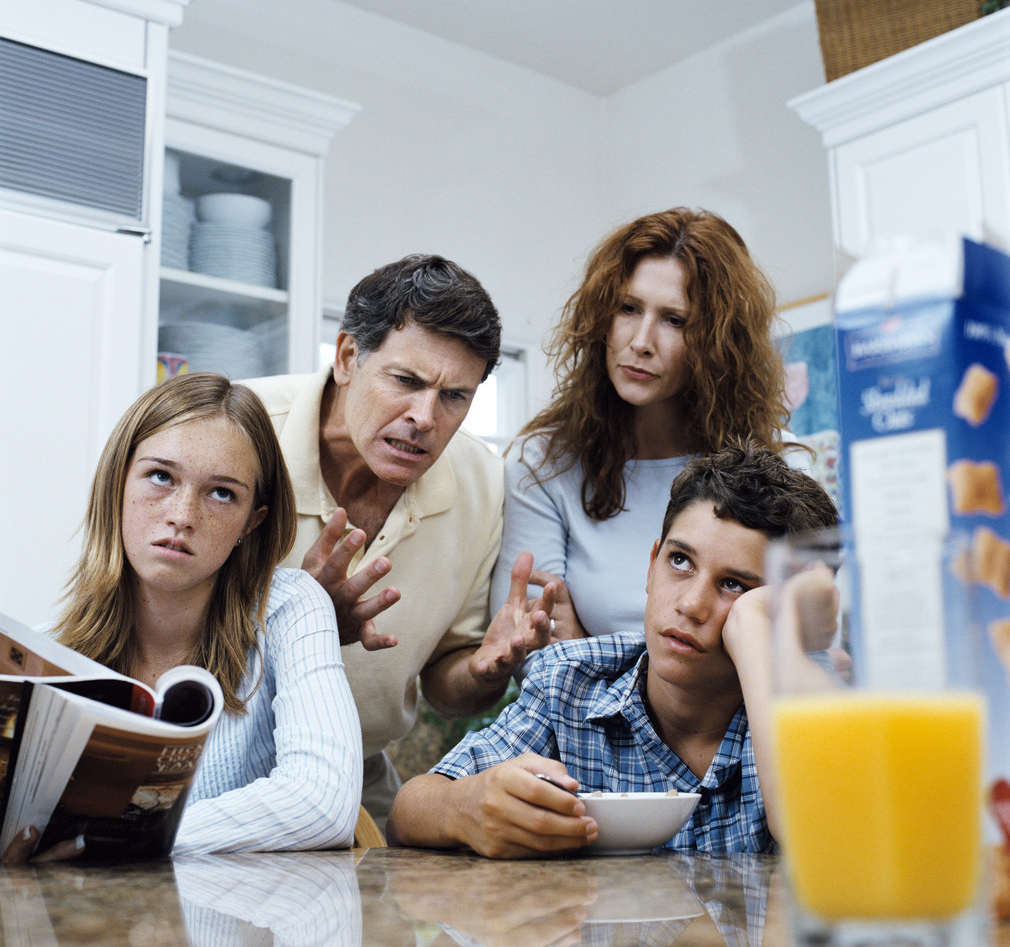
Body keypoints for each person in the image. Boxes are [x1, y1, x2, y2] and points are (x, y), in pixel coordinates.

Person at [386, 444, 839, 858]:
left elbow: (820, 839)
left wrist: (754, 625)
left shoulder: (812, 702)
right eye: (680, 561)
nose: (690, 605)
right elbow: (410, 809)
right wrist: (465, 806)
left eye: (735, 585)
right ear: (651, 565)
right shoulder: (571, 681)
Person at [244, 254, 554, 830]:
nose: (424, 417)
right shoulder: (237, 430)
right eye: (405, 381)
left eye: (455, 396)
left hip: (361, 779)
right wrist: (301, 622)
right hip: (212, 760)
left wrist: (486, 671)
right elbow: (147, 631)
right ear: (346, 358)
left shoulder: (481, 482)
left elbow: (445, 684)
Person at [6, 372, 363, 861]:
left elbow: (324, 805)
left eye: (221, 494)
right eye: (160, 476)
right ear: (118, 483)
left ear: (251, 522)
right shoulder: (44, 657)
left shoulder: (290, 608)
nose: (182, 514)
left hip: (240, 930)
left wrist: (118, 847)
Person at [490, 208, 812, 643]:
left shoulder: (782, 468)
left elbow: (794, 647)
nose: (640, 342)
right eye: (628, 308)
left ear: (719, 342)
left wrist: (588, 647)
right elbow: (531, 654)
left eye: (674, 320)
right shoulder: (544, 462)